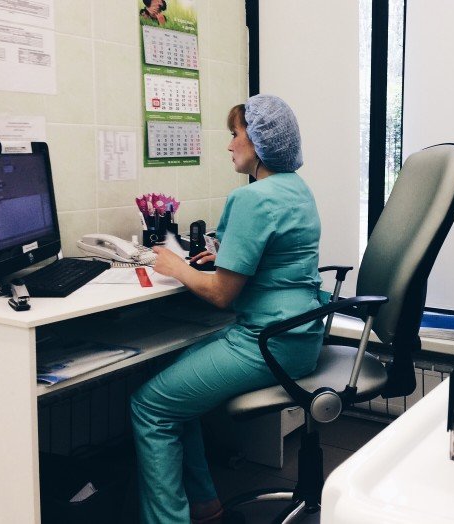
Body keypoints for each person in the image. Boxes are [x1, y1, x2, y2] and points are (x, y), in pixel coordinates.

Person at [130, 95, 324, 524]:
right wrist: (224, 254)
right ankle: (204, 505)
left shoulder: (253, 198)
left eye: (235, 134)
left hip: (269, 341)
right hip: (301, 332)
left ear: (257, 141)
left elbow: (221, 295)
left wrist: (176, 266)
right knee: (172, 381)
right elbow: (275, 255)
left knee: (151, 405)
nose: (229, 145)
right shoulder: (297, 189)